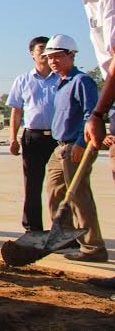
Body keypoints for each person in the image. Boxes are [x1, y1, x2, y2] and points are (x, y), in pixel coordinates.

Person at [41, 34, 107, 262]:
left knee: (79, 197)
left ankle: (93, 247)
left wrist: (81, 142)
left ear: (71, 55)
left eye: (58, 56)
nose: (53, 61)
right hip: (59, 148)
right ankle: (66, 238)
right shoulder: (60, 83)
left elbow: (92, 115)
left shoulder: (81, 81)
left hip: (75, 147)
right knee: (55, 194)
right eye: (49, 57)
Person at [5, 36, 59, 233]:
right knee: (32, 185)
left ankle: (61, 227)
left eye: (49, 49)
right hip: (32, 138)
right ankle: (32, 227)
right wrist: (12, 138)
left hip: (58, 138)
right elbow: (16, 112)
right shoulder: (23, 80)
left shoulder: (61, 78)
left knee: (59, 186)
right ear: (32, 53)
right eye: (41, 49)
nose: (45, 53)